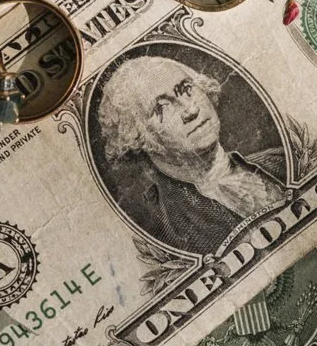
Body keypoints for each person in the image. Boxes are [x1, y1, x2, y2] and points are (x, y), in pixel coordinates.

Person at [94, 53, 286, 254]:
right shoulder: (169, 234)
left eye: (186, 89)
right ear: (135, 135)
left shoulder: (279, 161)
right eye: (161, 107)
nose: (190, 110)